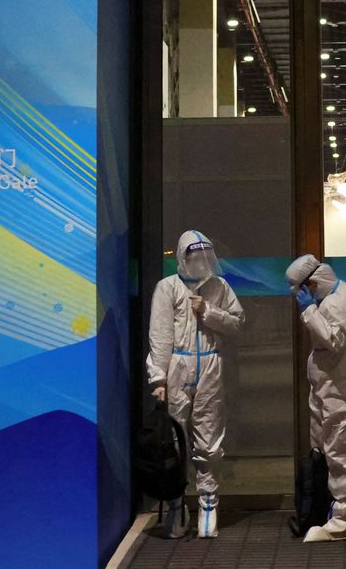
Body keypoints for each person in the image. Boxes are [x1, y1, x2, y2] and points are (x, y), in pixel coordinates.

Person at [147, 230, 245, 539]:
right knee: (175, 440)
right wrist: (158, 377)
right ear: (183, 257)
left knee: (209, 439)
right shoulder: (168, 288)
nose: (201, 261)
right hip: (178, 366)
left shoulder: (219, 287)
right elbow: (160, 335)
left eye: (205, 256)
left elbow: (237, 323)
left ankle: (208, 503)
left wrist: (209, 312)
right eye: (195, 256)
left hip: (211, 366)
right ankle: (177, 504)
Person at [286, 254, 346, 542]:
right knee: (326, 448)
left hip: (342, 389)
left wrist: (309, 312)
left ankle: (345, 519)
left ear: (311, 284)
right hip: (329, 385)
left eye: (300, 290)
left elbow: (334, 341)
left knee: (341, 450)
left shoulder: (340, 302)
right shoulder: (331, 298)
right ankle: (325, 511)